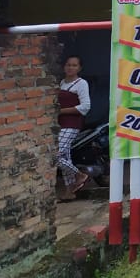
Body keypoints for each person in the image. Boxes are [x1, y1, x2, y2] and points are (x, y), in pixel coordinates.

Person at [56, 55, 90, 200]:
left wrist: (62, 111)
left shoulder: (81, 83)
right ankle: (70, 190)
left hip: (71, 124)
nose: (70, 67)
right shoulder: (61, 83)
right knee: (65, 156)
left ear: (79, 68)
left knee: (55, 155)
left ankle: (79, 174)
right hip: (59, 124)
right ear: (64, 67)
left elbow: (85, 107)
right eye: (68, 65)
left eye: (74, 65)